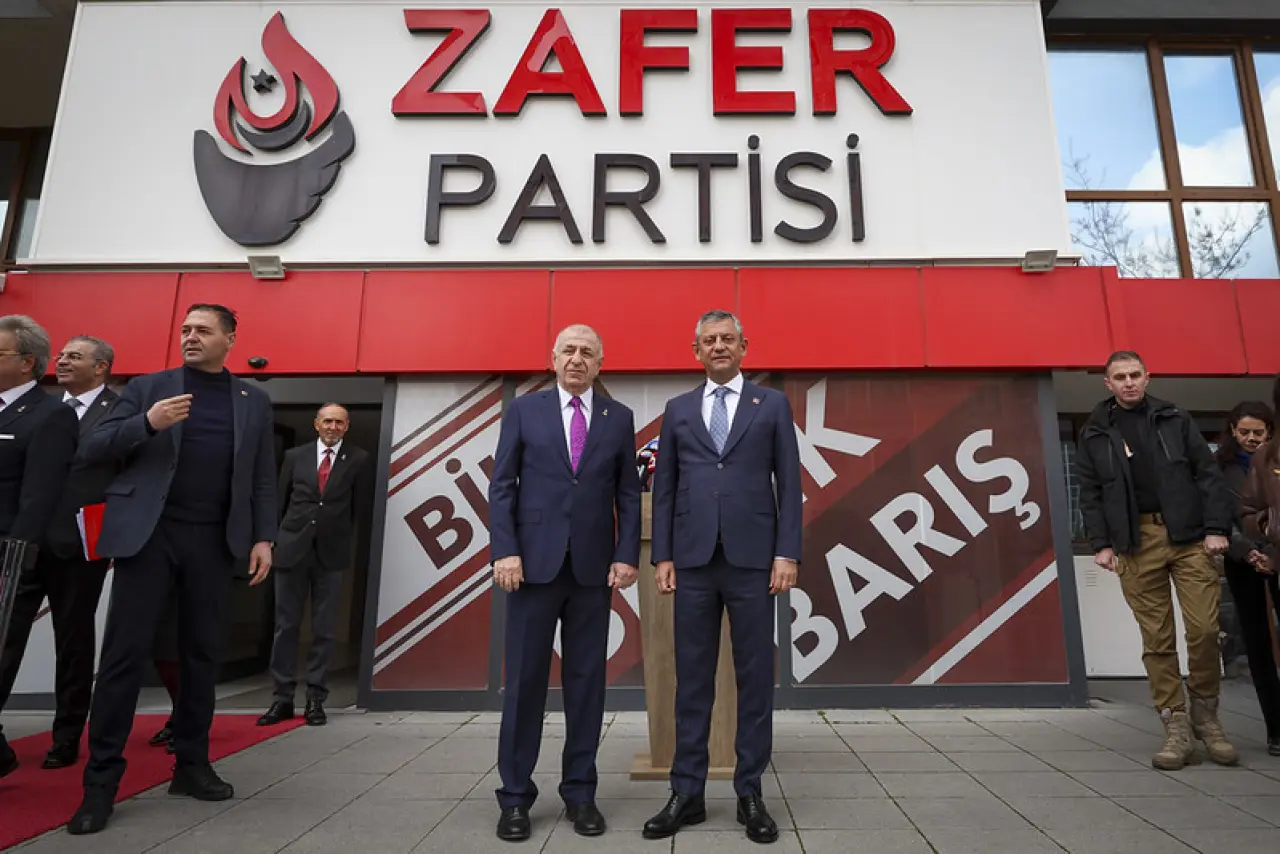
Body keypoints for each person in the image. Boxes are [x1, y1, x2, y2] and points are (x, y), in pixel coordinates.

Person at [67, 304, 277, 835]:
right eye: (185, 329)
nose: (191, 337)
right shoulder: (147, 388)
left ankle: (191, 765)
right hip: (150, 537)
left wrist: (263, 537)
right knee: (123, 657)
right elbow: (91, 447)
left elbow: (261, 476)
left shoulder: (253, 400)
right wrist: (148, 422)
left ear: (230, 339)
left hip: (214, 541)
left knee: (200, 656)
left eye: (203, 330)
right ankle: (100, 785)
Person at [644, 309, 802, 845]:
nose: (718, 346)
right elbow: (665, 487)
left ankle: (749, 792)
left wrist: (787, 553)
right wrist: (663, 555)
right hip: (692, 561)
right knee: (692, 679)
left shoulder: (771, 405)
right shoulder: (678, 409)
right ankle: (686, 793)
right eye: (709, 340)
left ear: (743, 346)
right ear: (696, 351)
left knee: (754, 678)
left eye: (727, 339)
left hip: (754, 561)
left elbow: (789, 482)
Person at [488, 324, 641, 842]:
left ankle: (580, 793)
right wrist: (505, 550)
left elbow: (627, 493)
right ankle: (515, 798)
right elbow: (502, 485)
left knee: (586, 686)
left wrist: (626, 555)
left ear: (600, 364)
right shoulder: (524, 411)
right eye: (569, 351)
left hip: (592, 573)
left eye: (587, 353)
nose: (577, 359)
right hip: (532, 568)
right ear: (553, 359)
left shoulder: (618, 418)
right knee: (524, 685)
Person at [1075, 350, 1237, 771]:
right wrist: (1101, 544)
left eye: (1135, 375)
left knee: (1204, 631)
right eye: (1120, 377)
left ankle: (1206, 716)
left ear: (1147, 377)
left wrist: (1216, 527)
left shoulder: (1174, 418)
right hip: (1135, 542)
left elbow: (1207, 474)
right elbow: (1090, 493)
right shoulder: (1095, 431)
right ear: (1107, 384)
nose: (1128, 382)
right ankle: (1176, 725)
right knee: (1157, 640)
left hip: (1190, 537)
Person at [0, 335, 118, 772]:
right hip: (23, 542)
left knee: (73, 642)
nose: (63, 361)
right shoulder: (38, 409)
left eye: (75, 356)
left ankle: (66, 736)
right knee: (6, 636)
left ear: (101, 367)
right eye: (62, 355)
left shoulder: (119, 410)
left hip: (77, 546)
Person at [0, 316, 80, 779]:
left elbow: (39, 495)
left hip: (16, 556)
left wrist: (13, 558)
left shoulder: (51, 415)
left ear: (27, 362)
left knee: (4, 650)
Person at [258, 403, 370, 728]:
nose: (333, 427)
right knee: (286, 626)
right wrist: (271, 540)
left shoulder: (359, 459)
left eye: (339, 422)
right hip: (291, 550)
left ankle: (315, 698)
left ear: (346, 427)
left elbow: (359, 508)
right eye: (328, 421)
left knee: (324, 629)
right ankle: (281, 698)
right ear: (316, 424)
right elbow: (279, 501)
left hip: (330, 555)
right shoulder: (295, 456)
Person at [1233, 394, 1280, 757]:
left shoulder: (1269, 458)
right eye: (1245, 432)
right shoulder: (1220, 467)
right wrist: (1251, 550)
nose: (1251, 438)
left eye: (1258, 432)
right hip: (1243, 561)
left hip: (1273, 557)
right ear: (1232, 431)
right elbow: (1229, 513)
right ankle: (1275, 728)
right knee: (1259, 645)